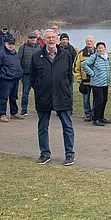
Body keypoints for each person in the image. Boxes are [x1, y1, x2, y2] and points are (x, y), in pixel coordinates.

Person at [30, 30, 75, 166]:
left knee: (67, 126)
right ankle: (45, 153)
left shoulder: (65, 55)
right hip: (44, 97)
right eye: (48, 37)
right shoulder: (37, 56)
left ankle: (69, 154)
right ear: (44, 39)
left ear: (57, 39)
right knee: (43, 127)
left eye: (53, 37)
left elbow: (69, 76)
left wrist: (65, 88)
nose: (51, 40)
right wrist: (39, 88)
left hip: (62, 96)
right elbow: (32, 77)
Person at [0, 37, 24, 122]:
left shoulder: (15, 53)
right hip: (5, 79)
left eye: (12, 44)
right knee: (4, 97)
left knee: (14, 97)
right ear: (5, 44)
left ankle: (14, 112)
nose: (11, 46)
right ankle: (2, 114)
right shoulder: (1, 54)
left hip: (15, 78)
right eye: (9, 44)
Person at [82, 42, 111, 126]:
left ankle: (101, 117)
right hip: (96, 83)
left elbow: (109, 66)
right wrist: (92, 73)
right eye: (99, 48)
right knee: (99, 101)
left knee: (104, 100)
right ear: (97, 49)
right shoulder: (94, 57)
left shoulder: (107, 57)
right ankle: (96, 119)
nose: (101, 49)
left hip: (105, 83)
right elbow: (84, 64)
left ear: (105, 48)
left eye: (102, 48)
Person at [17, 32, 41, 116]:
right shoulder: (22, 48)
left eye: (34, 38)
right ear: (28, 38)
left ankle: (40, 109)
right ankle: (24, 109)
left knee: (39, 93)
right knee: (25, 93)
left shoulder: (40, 48)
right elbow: (18, 60)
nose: (32, 39)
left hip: (38, 75)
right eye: (31, 38)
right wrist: (20, 73)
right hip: (26, 74)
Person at [74, 36, 96, 122]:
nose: (89, 43)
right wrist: (78, 77)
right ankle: (88, 115)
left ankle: (95, 114)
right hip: (84, 81)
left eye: (91, 41)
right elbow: (76, 66)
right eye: (87, 41)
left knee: (96, 99)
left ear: (93, 42)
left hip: (96, 81)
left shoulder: (98, 52)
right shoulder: (81, 53)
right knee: (86, 100)